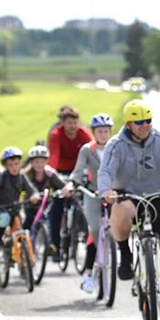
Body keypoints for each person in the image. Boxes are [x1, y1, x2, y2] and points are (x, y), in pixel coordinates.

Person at [98, 99, 160, 320]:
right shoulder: (115, 144)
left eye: (148, 121)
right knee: (120, 208)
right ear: (129, 123)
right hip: (128, 195)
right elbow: (105, 170)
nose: (144, 125)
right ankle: (125, 255)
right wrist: (106, 190)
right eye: (139, 122)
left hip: (159, 195)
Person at [67, 114, 114, 294]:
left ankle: (120, 256)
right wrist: (72, 184)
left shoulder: (116, 147)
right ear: (93, 132)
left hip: (113, 194)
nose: (103, 134)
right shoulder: (87, 150)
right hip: (93, 193)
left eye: (106, 131)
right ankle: (88, 273)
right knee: (94, 230)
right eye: (99, 131)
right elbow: (78, 172)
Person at [46, 106, 93, 262]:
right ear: (62, 123)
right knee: (56, 207)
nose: (72, 126)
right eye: (69, 123)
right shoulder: (55, 135)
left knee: (86, 203)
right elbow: (53, 156)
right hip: (60, 172)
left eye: (75, 123)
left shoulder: (84, 134)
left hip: (79, 172)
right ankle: (55, 246)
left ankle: (85, 235)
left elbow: (93, 155)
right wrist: (53, 174)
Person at [0, 147, 41, 246]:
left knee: (20, 226)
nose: (14, 167)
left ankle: (19, 248)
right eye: (10, 165)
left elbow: (31, 189)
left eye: (16, 164)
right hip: (2, 208)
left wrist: (35, 195)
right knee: (4, 218)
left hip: (16, 208)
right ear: (5, 166)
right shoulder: (2, 177)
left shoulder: (22, 177)